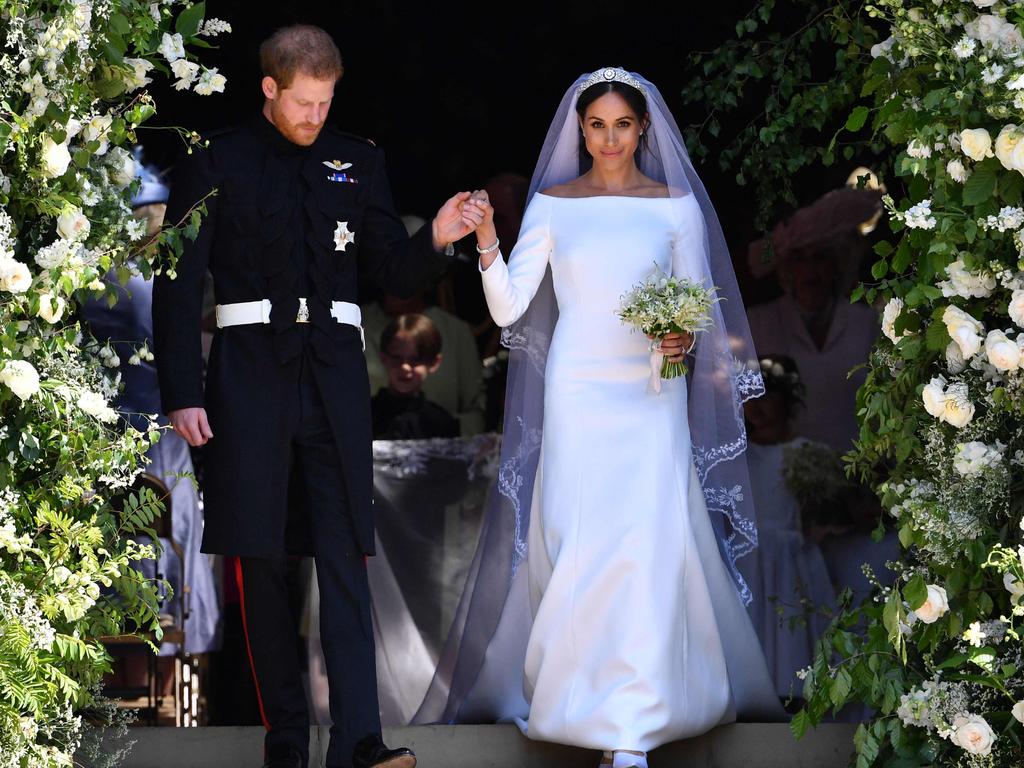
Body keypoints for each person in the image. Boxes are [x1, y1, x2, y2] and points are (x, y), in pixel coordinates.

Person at [417, 68, 782, 768]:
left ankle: (635, 727)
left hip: (653, 391)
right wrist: (489, 238)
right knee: (577, 536)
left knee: (646, 543)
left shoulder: (675, 206)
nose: (609, 138)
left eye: (622, 124)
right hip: (579, 386)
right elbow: (507, 309)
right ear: (580, 131)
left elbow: (699, 307)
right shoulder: (554, 205)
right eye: (596, 125)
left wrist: (680, 341)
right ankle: (581, 703)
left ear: (642, 129)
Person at [152, 25, 485, 768]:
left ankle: (360, 743)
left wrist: (437, 233)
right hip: (246, 380)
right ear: (269, 89)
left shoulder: (357, 159)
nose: (314, 116)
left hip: (333, 381)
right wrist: (182, 391)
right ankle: (286, 742)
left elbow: (393, 270)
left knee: (344, 560)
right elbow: (177, 286)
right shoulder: (215, 161)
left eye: (325, 102)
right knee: (262, 562)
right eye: (303, 102)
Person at [742, 354, 836, 699]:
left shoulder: (806, 453)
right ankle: (753, 690)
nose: (758, 407)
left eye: (767, 397)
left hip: (791, 556)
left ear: (787, 401)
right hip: (750, 557)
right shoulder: (738, 456)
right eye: (752, 398)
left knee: (790, 620)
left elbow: (832, 509)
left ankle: (793, 691)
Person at [371, 313, 459, 440]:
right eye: (396, 358)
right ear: (383, 358)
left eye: (415, 360)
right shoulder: (363, 415)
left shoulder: (441, 423)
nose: (405, 367)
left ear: (434, 363)